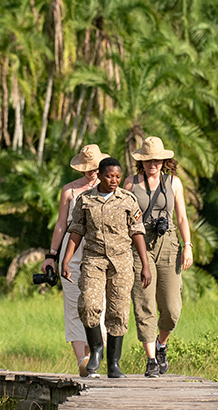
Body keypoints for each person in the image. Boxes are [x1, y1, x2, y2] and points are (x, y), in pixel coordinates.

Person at [61, 157, 151, 378]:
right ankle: (96, 351)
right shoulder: (85, 200)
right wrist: (65, 260)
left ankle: (114, 364)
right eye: (110, 176)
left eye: (118, 176)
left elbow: (137, 233)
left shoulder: (128, 200)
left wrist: (145, 265)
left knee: (118, 311)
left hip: (121, 262)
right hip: (93, 259)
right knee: (88, 305)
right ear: (100, 175)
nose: (114, 180)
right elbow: (76, 231)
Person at [125, 136, 193, 378]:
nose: (152, 164)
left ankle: (161, 344)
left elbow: (183, 218)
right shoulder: (131, 184)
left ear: (164, 161)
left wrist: (188, 245)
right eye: (147, 160)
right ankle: (151, 359)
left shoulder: (173, 183)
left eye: (156, 160)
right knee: (144, 302)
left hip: (168, 244)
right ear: (140, 162)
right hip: (139, 245)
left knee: (172, 309)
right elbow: (123, 217)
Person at [40, 144, 109, 376]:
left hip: (99, 252)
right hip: (72, 252)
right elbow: (61, 224)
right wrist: (52, 255)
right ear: (82, 169)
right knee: (73, 306)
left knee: (98, 305)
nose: (92, 173)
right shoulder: (69, 191)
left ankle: (94, 357)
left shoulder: (108, 188)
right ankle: (83, 362)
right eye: (89, 169)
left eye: (96, 168)